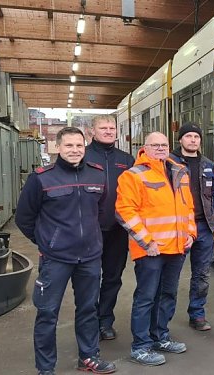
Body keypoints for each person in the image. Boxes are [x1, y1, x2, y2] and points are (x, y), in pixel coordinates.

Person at [16, 127, 116, 375]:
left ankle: (88, 357)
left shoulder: (97, 175)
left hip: (90, 257)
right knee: (48, 313)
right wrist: (46, 243)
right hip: (56, 259)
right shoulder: (41, 178)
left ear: (85, 147)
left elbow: (101, 210)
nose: (74, 150)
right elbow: (24, 218)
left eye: (79, 146)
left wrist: (93, 239)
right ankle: (46, 368)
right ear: (58, 148)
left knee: (88, 309)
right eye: (69, 146)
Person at [116, 132, 197, 366]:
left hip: (177, 247)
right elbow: (125, 212)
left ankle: (160, 336)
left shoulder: (179, 171)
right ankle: (140, 346)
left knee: (168, 295)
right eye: (155, 145)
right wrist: (146, 242)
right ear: (145, 148)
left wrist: (190, 233)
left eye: (164, 145)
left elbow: (188, 207)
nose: (160, 148)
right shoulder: (133, 175)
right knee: (146, 298)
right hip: (150, 250)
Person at [84, 114, 135, 341]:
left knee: (113, 278)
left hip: (117, 230)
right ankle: (88, 321)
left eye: (111, 128)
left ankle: (105, 320)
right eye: (103, 128)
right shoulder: (81, 155)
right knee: (90, 278)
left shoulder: (126, 159)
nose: (108, 131)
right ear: (92, 132)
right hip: (88, 231)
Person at [169, 123, 214, 330]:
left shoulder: (207, 164)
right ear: (180, 139)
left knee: (202, 274)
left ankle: (197, 314)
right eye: (188, 136)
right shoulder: (170, 163)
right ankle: (164, 319)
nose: (193, 140)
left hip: (203, 228)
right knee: (172, 275)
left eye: (196, 137)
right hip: (179, 228)